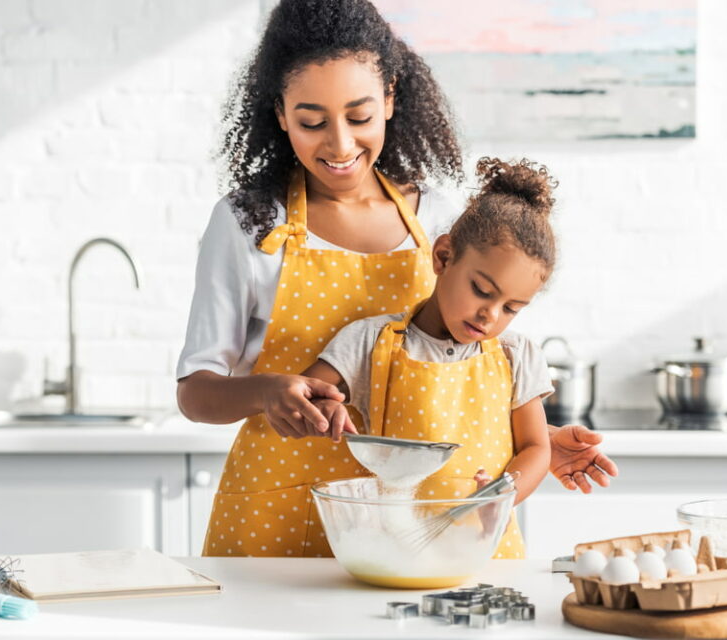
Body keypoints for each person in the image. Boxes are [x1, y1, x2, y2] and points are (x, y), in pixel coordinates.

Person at [176, 0, 617, 558]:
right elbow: (196, 395)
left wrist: (535, 446)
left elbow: (460, 370)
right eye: (312, 121)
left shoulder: (435, 217)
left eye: (359, 116)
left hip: (415, 522)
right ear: (281, 113)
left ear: (389, 99)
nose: (339, 145)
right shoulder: (248, 223)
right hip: (279, 513)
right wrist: (267, 392)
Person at [302, 157, 557, 558]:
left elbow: (536, 448)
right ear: (443, 257)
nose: (490, 315)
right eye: (482, 290)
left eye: (512, 308)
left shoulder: (516, 355)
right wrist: (321, 408)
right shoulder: (372, 341)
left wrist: (499, 496)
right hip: (396, 547)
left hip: (486, 549)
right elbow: (306, 395)